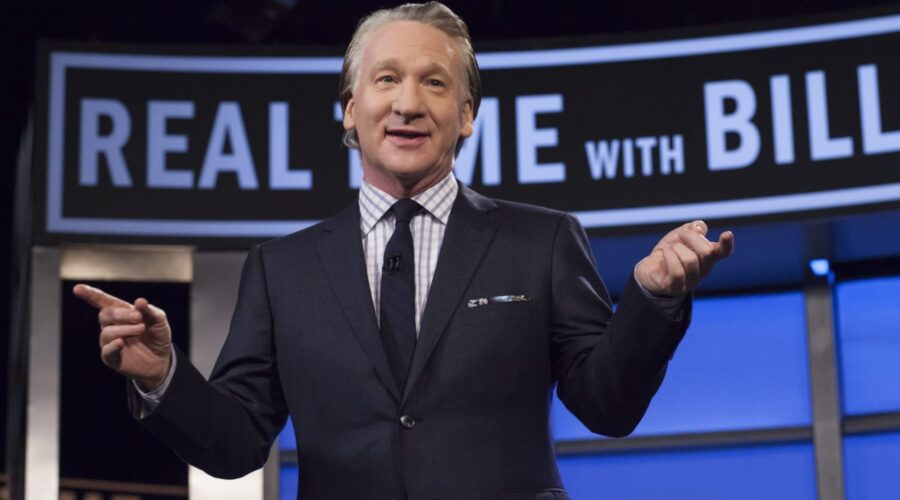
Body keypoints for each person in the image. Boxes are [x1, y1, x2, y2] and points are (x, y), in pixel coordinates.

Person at [74, 2, 734, 498]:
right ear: (350, 109)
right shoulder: (280, 270)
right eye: (387, 79)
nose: (408, 104)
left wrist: (652, 299)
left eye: (435, 83)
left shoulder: (543, 240)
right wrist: (162, 377)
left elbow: (607, 405)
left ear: (467, 114)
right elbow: (235, 444)